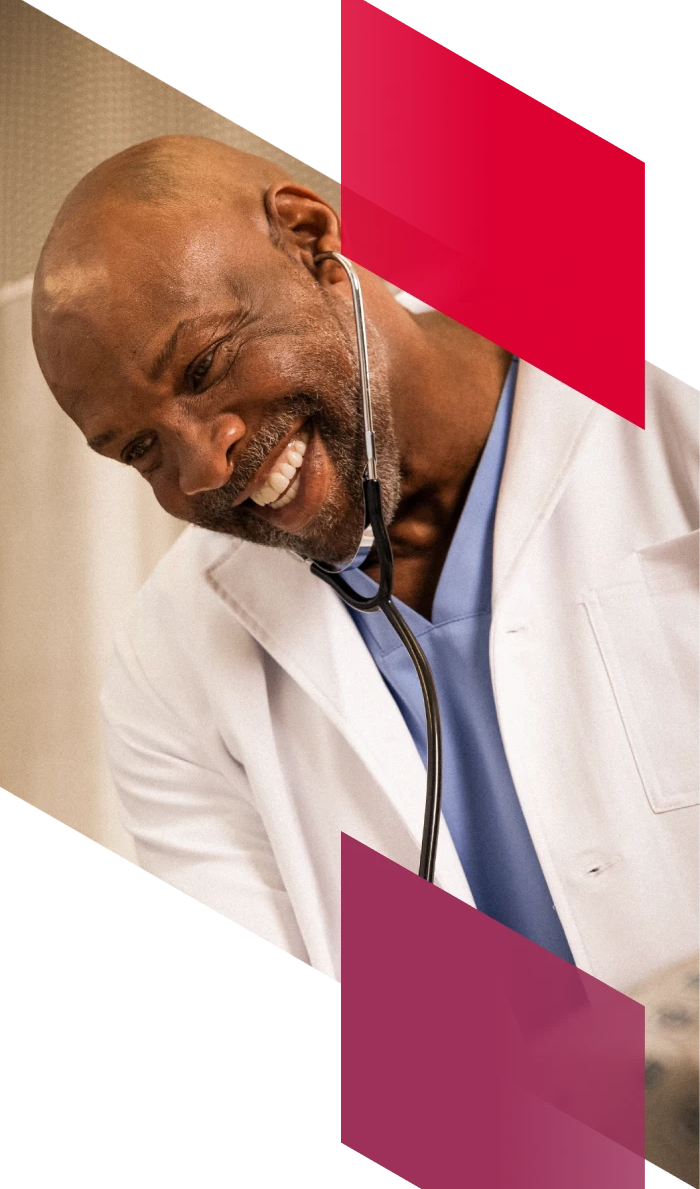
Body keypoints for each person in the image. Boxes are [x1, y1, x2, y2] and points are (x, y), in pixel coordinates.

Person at [32, 135, 699, 997]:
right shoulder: (168, 664)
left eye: (203, 366)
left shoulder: (661, 401)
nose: (202, 467)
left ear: (310, 237)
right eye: (143, 450)